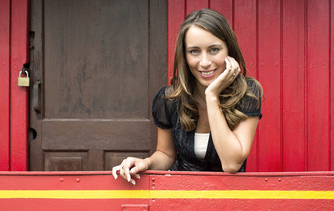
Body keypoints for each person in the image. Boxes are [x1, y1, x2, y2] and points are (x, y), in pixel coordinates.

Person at [112, 8, 263, 185]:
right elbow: (166, 154)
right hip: (181, 195)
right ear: (184, 55)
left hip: (229, 199)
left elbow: (231, 164)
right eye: (194, 51)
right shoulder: (170, 99)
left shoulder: (247, 93)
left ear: (228, 50)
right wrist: (146, 163)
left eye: (214, 50)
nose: (205, 62)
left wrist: (212, 96)